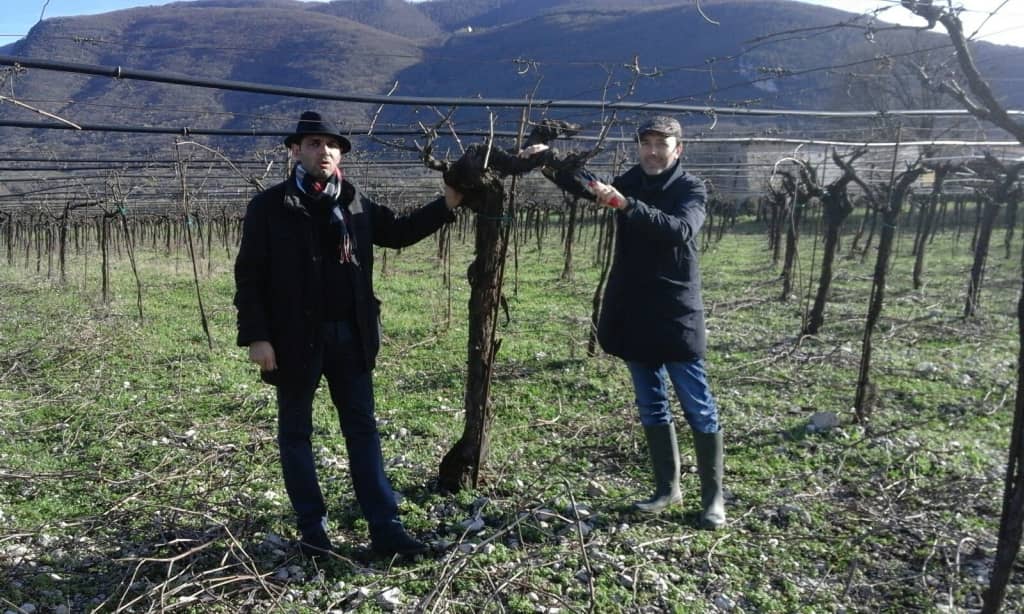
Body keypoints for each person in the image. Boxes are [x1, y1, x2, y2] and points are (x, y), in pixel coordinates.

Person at [233, 110, 464, 558]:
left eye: (332, 145)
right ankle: (313, 533)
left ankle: (386, 529)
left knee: (362, 431)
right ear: (295, 151)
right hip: (293, 339)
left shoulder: (354, 203)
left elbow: (398, 232)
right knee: (296, 434)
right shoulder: (270, 207)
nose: (325, 151)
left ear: (340, 154)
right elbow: (250, 276)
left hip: (351, 337)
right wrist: (257, 337)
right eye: (314, 143)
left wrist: (447, 204)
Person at [529, 115, 725, 529]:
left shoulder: (691, 188)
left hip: (675, 310)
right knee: (651, 403)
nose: (652, 152)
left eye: (661, 144)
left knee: (698, 406)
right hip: (634, 307)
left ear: (678, 150)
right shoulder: (630, 180)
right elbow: (592, 188)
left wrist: (627, 205)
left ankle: (713, 499)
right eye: (646, 143)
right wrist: (550, 162)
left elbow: (680, 230)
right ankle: (666, 489)